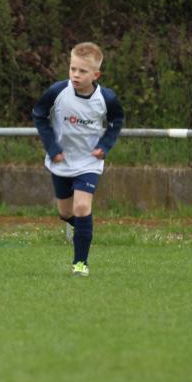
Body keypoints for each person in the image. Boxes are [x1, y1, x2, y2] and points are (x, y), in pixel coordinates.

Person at [33, 42, 124, 277]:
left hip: (88, 162)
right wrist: (52, 147)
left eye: (82, 71)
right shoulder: (57, 92)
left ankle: (80, 263)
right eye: (73, 69)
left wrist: (104, 146)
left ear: (96, 75)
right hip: (61, 161)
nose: (75, 74)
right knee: (65, 213)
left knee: (82, 207)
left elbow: (116, 121)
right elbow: (39, 115)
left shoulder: (106, 98)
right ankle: (86, 231)